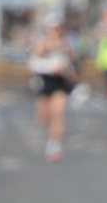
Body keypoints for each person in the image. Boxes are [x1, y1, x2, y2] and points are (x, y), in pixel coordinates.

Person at [28, 19, 76, 162]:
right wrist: (49, 67)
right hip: (44, 82)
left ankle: (54, 146)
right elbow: (33, 64)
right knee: (43, 118)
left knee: (58, 113)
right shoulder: (42, 44)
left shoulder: (65, 45)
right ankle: (51, 137)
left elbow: (72, 63)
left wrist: (66, 69)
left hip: (59, 83)